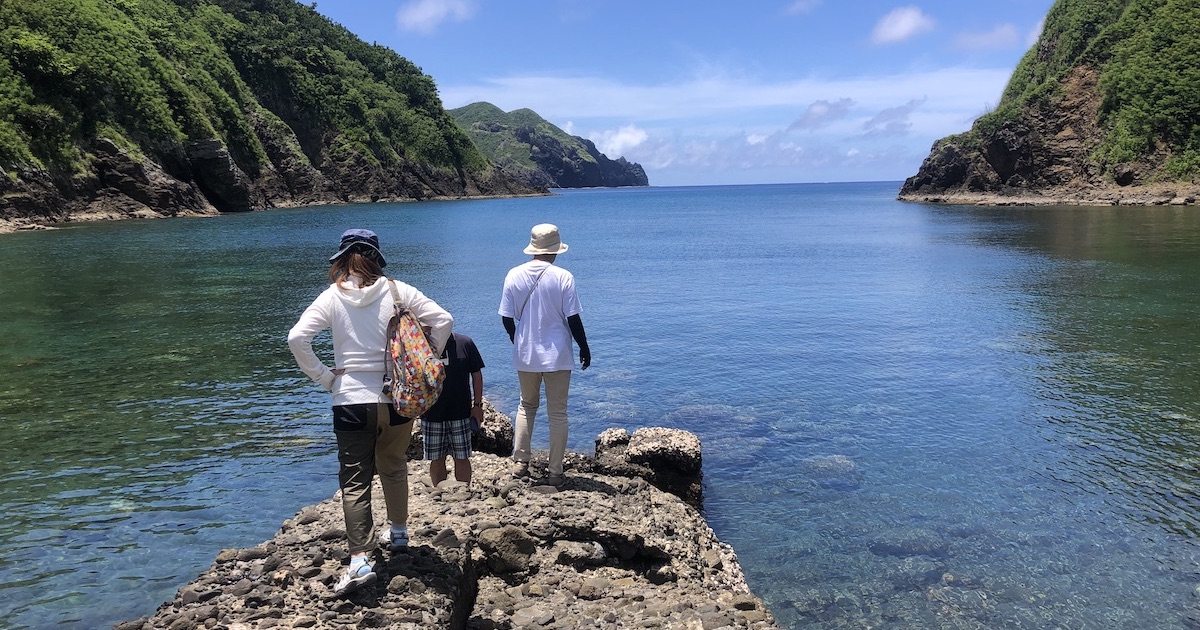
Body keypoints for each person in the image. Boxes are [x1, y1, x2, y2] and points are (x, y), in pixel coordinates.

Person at [287, 229, 452, 597]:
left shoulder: (331, 297)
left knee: (355, 480)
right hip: (397, 397)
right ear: (376, 259)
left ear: (343, 260)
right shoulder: (399, 291)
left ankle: (360, 558)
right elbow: (443, 320)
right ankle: (399, 533)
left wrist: (326, 378)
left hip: (349, 400)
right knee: (393, 465)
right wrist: (426, 360)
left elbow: (297, 339)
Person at [498, 223, 591, 488]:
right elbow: (573, 318)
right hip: (558, 354)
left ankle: (520, 464)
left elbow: (506, 317)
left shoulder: (513, 274)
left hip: (525, 353)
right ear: (555, 249)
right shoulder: (563, 276)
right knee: (558, 412)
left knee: (526, 406)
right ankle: (555, 472)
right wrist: (584, 347)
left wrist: (518, 339)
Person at [421, 332, 486, 486]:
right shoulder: (423, 346)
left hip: (461, 412)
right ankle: (439, 491)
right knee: (437, 458)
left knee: (462, 457)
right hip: (432, 413)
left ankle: (464, 491)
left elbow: (477, 375)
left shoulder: (465, 342)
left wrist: (477, 406)